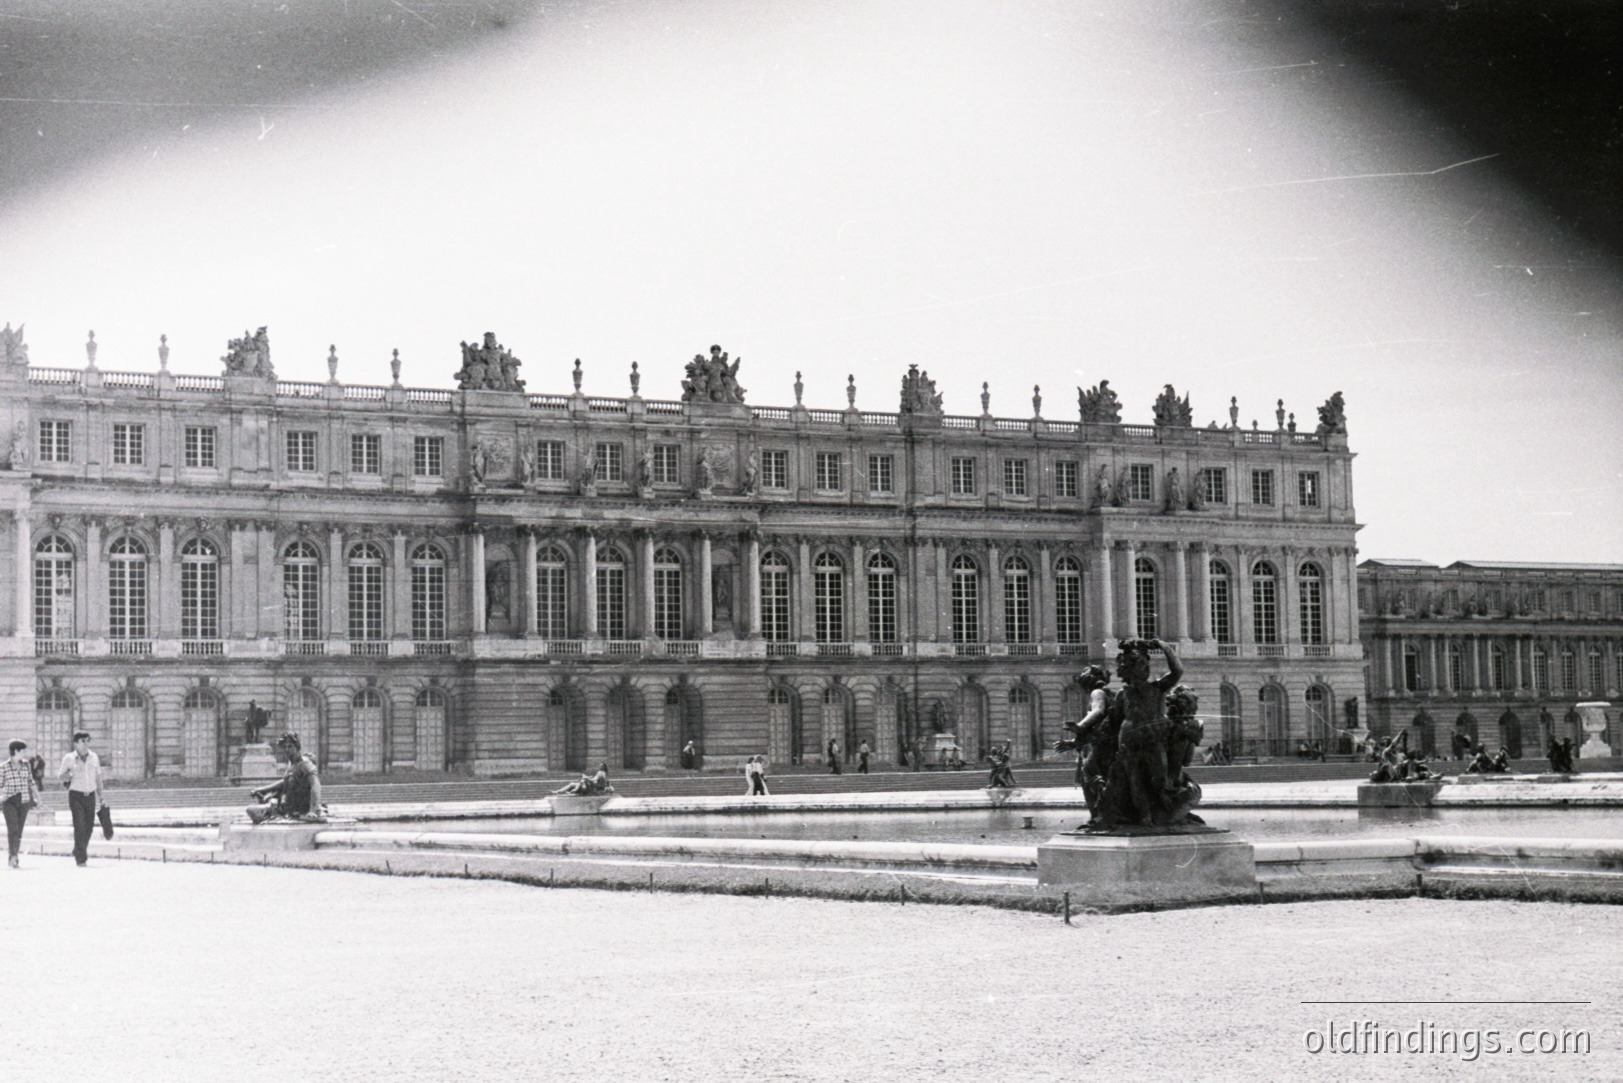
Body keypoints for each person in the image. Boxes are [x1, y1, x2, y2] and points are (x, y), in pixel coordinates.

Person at [246, 733, 326, 824]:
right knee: (253, 810)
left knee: (252, 810)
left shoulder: (305, 764)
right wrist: (262, 789)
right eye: (285, 747)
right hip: (287, 807)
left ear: (297, 747)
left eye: (290, 746)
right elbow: (285, 782)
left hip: (300, 808)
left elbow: (315, 786)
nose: (287, 749)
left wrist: (312, 810)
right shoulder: (291, 764)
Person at [58, 730, 102, 866]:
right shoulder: (69, 758)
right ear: (76, 743)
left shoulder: (94, 757)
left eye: (88, 741)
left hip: (90, 796)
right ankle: (81, 858)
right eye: (83, 741)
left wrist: (101, 798)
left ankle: (78, 849)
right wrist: (71, 773)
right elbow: (60, 777)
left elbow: (98, 778)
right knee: (79, 826)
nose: (86, 744)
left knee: (89, 827)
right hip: (76, 796)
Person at [3, 739, 44, 868]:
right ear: (16, 751)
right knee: (13, 829)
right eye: (23, 751)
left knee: (19, 830)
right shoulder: (3, 767)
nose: (25, 753)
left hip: (24, 801)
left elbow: (31, 782)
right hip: (9, 801)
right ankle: (13, 856)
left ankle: (14, 855)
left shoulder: (26, 765)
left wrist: (38, 797)